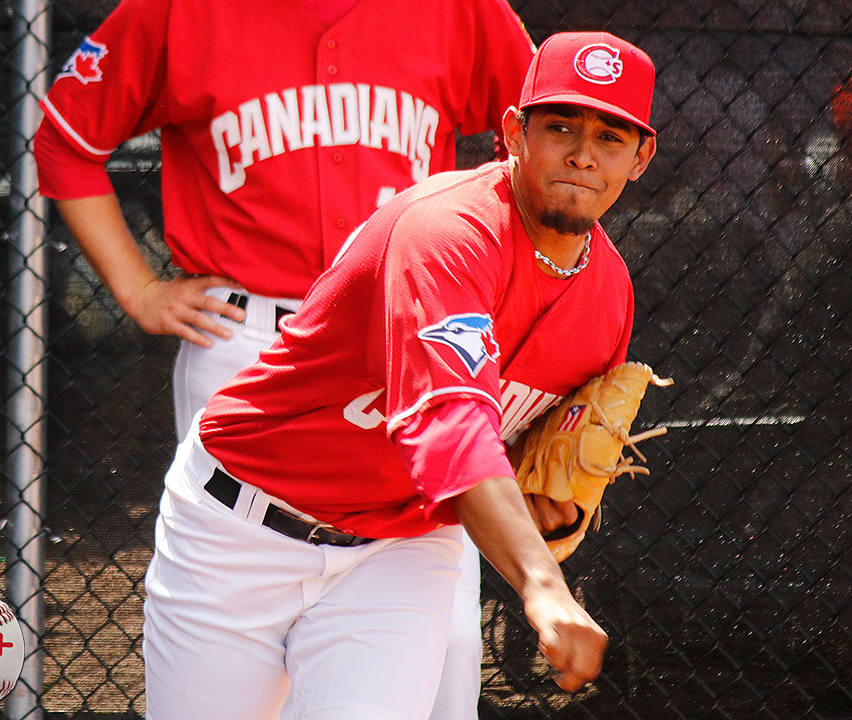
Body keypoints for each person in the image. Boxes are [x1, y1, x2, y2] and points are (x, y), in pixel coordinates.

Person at [33, 1, 534, 718]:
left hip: (409, 341)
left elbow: (545, 138)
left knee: (442, 643)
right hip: (245, 342)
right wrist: (139, 289)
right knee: (244, 618)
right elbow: (65, 137)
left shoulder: (458, 8)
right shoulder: (177, 9)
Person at [142, 30, 658, 720]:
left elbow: (529, 460)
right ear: (514, 131)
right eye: (560, 126)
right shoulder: (445, 233)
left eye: (611, 137)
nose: (583, 155)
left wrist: (551, 515)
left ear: (641, 156)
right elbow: (452, 425)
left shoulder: (610, 296)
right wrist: (541, 582)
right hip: (239, 530)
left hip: (399, 551)